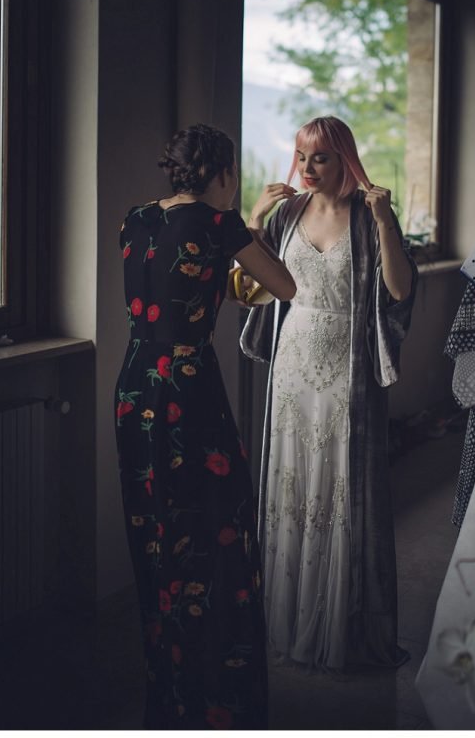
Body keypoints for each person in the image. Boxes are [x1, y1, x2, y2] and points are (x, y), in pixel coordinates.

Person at [114, 123, 296, 729]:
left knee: (155, 531)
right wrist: (252, 223)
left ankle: (168, 688)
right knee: (215, 525)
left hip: (135, 385)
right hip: (188, 389)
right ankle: (216, 688)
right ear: (223, 173)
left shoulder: (135, 218)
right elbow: (284, 285)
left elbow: (183, 282)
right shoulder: (221, 224)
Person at [240, 115, 417, 672]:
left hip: (346, 370)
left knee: (342, 490)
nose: (307, 167)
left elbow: (399, 291)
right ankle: (287, 619)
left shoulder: (368, 213)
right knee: (293, 485)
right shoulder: (288, 213)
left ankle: (342, 626)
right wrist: (253, 221)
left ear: (344, 158)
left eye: (319, 157)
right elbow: (252, 289)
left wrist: (385, 223)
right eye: (301, 156)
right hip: (292, 367)